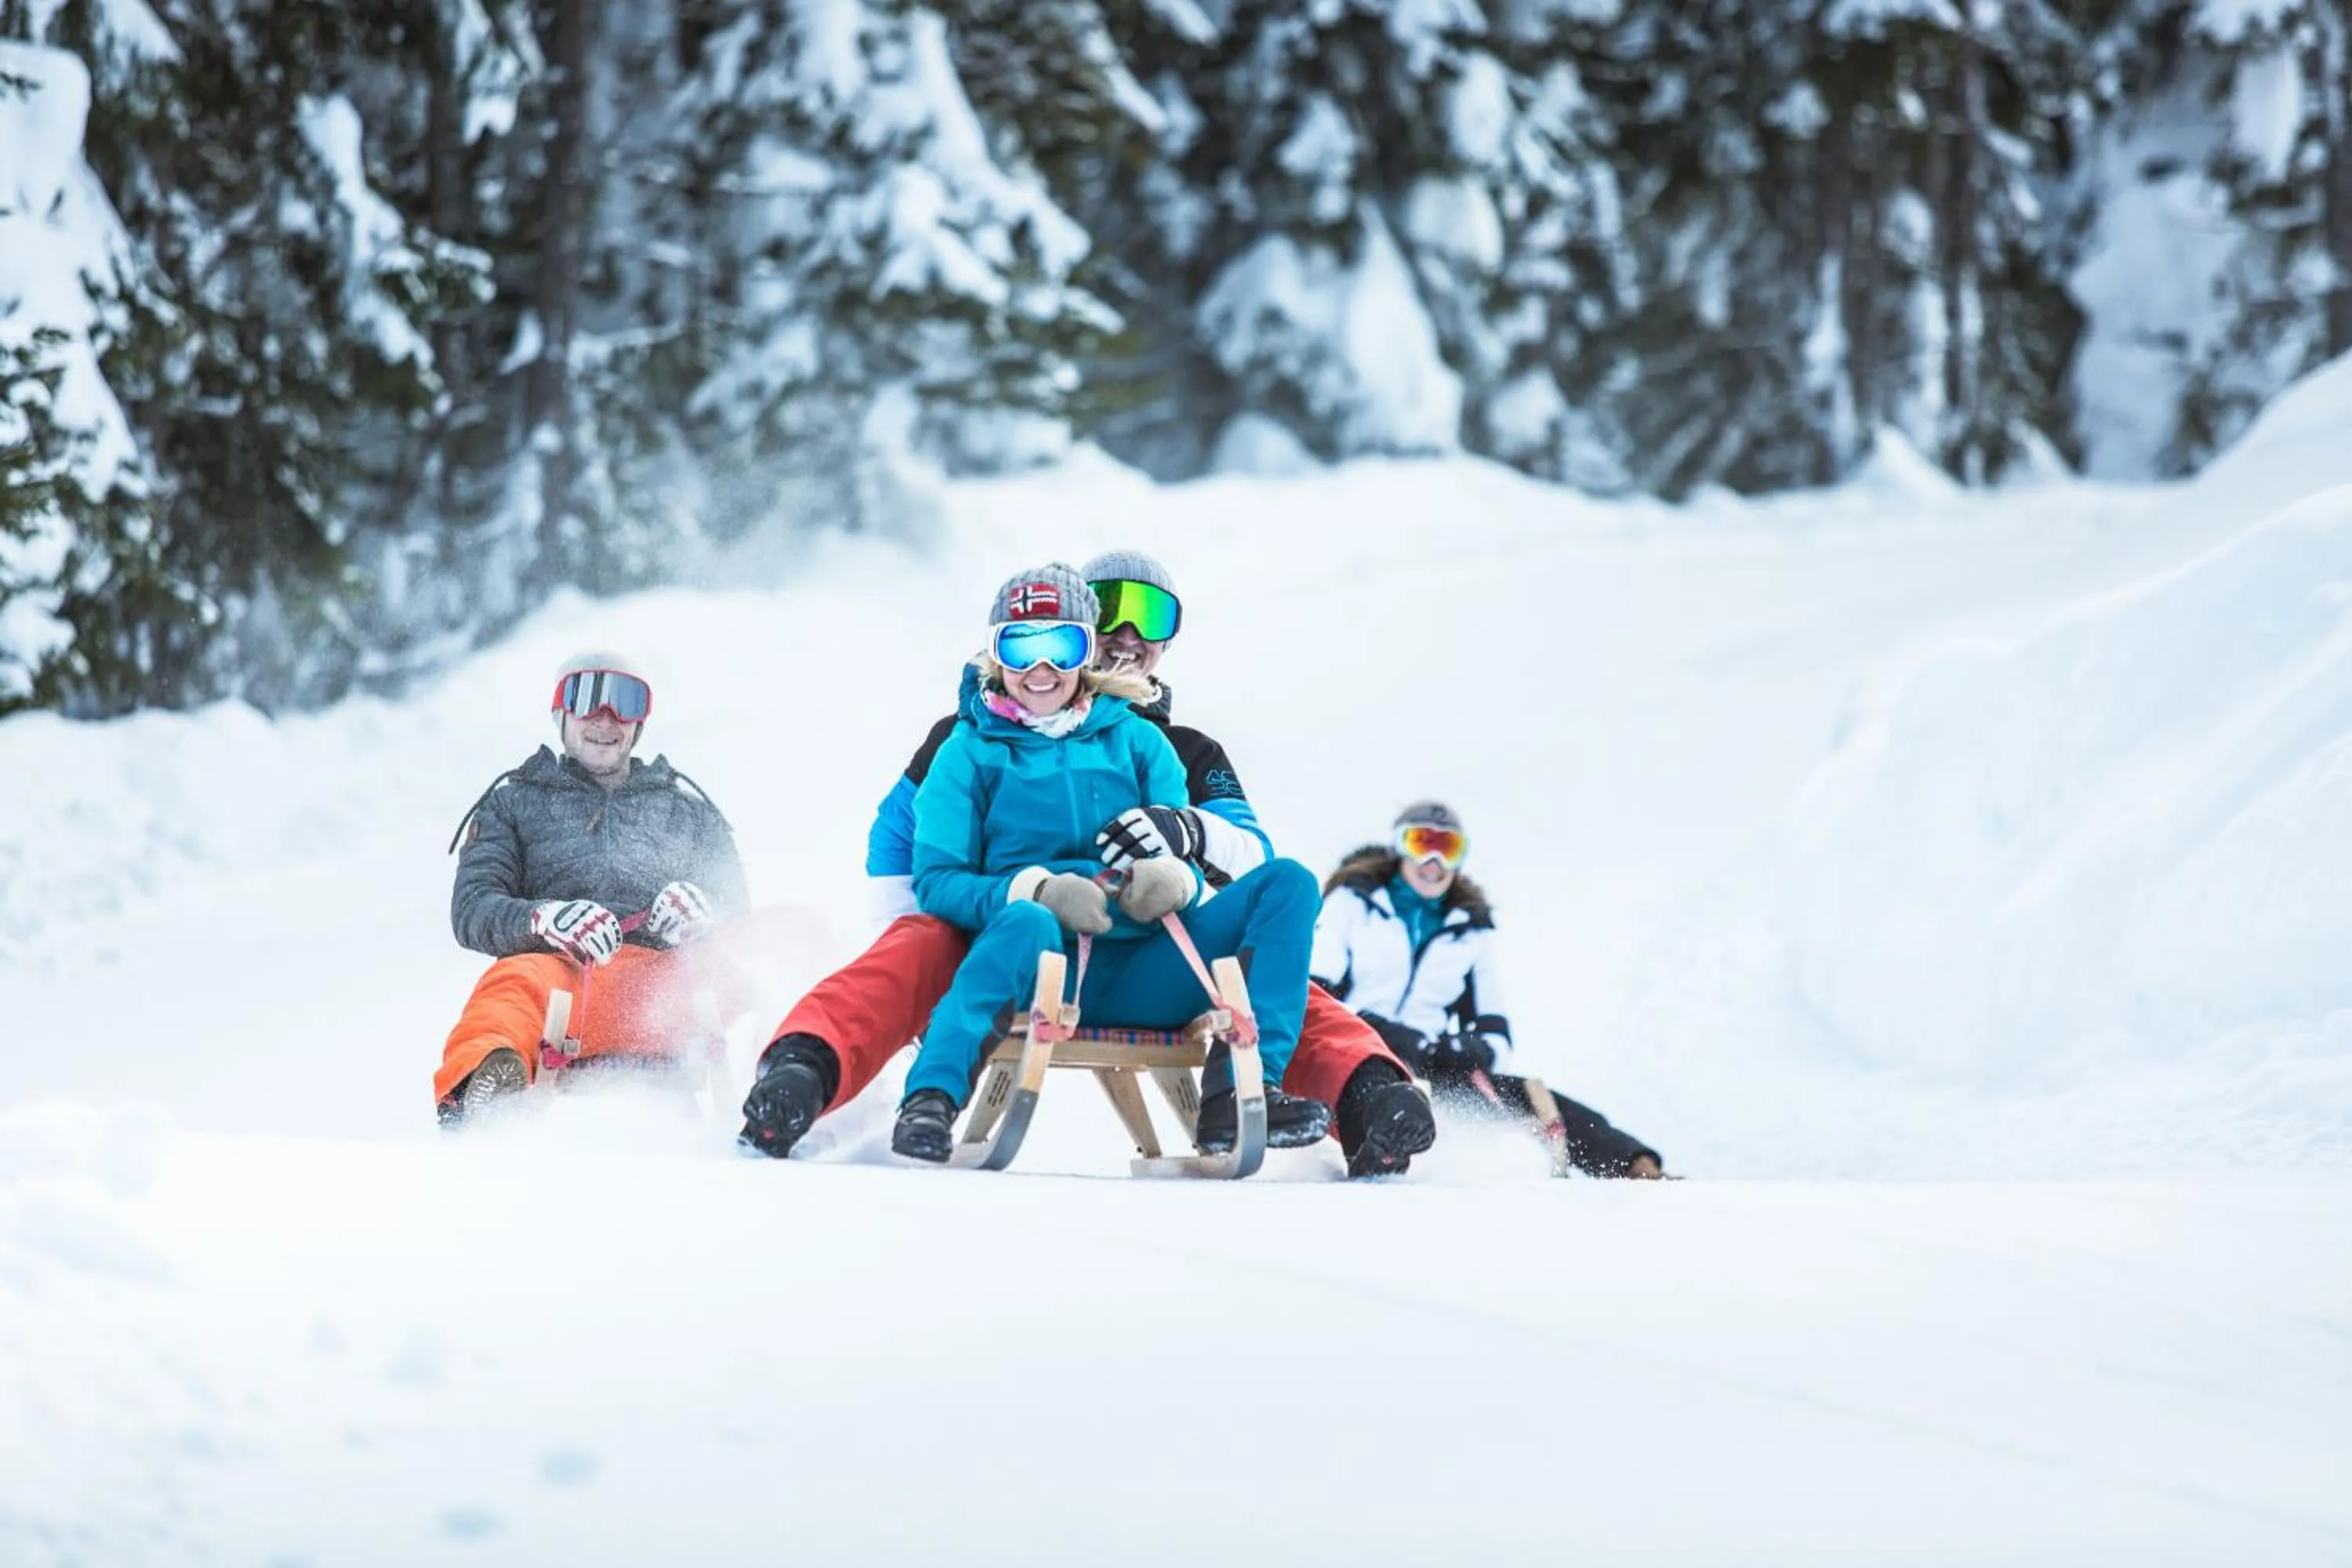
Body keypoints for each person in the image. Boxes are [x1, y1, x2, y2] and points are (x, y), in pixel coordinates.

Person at [739, 553, 1435, 1175]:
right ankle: (804, 1070)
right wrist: (911, 940)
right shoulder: (970, 737)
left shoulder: (1179, 748)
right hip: (1004, 932)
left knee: (1268, 972)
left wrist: (1188, 839)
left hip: (1157, 943)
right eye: (1110, 610)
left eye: (1152, 616)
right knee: (918, 946)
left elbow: (1253, 854)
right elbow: (902, 840)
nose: (1128, 634)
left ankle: (1366, 1095)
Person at [884, 562, 1332, 1162]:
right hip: (1034, 971)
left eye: (1060, 645)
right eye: (1021, 647)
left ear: (1085, 651)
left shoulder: (1144, 743)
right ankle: (931, 1099)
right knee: (1027, 922)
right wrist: (1033, 890)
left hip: (1148, 971)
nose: (1041, 669)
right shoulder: (965, 751)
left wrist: (1177, 882)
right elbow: (937, 881)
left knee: (1290, 885)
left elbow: (1187, 864)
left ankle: (1242, 1092)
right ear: (997, 656)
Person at [434, 650, 749, 1123]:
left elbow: (743, 918)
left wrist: (710, 916)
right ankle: (482, 1094)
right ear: (561, 712)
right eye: (589, 698)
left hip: (664, 989)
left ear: (640, 721)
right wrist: (543, 918)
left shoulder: (685, 810)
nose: (607, 718)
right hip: (562, 976)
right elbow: (474, 909)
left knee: (781, 946)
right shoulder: (513, 804)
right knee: (510, 989)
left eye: (625, 701)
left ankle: (799, 1077)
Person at [1312, 800, 1667, 1178]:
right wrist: (1385, 1033)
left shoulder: (1469, 930)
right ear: (1399, 848)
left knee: (1536, 1098)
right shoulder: (1353, 903)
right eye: (1421, 843)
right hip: (1356, 1048)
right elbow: (1314, 993)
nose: (1433, 861)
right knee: (1384, 1093)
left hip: (1432, 1064)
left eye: (1447, 849)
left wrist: (1467, 1049)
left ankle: (1636, 1167)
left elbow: (1496, 1031)